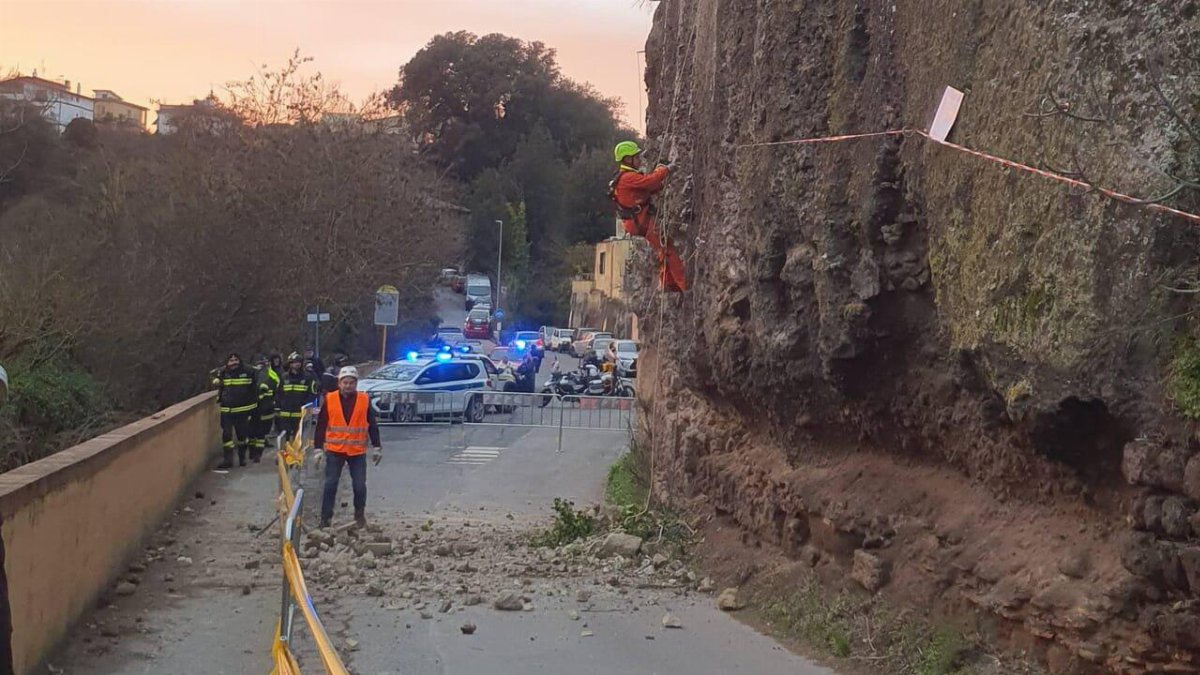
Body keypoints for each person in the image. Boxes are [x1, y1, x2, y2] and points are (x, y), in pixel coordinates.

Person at [610, 140, 688, 292]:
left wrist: (660, 181)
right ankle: (682, 285)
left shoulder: (626, 177)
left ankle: (668, 283)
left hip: (637, 221)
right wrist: (664, 170)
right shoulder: (627, 178)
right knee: (667, 248)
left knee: (664, 247)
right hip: (641, 221)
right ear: (627, 159)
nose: (639, 160)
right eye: (636, 157)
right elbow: (649, 181)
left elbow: (649, 187)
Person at [313, 366, 382, 528]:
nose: (348, 386)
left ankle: (359, 515)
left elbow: (372, 425)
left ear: (356, 383)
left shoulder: (364, 400)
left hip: (357, 452)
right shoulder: (330, 399)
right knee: (330, 484)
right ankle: (325, 519)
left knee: (359, 485)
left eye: (351, 383)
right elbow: (321, 425)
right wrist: (317, 449)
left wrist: (377, 446)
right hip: (335, 451)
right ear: (339, 383)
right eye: (345, 382)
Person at [212, 353, 257, 468]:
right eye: (231, 360)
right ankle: (228, 460)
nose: (233, 362)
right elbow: (213, 376)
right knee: (226, 435)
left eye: (236, 360)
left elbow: (255, 387)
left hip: (242, 409)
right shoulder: (223, 372)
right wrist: (216, 380)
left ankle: (242, 458)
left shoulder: (248, 371)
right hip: (227, 409)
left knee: (242, 436)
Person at [277, 352, 318, 439]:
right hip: (285, 413)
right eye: (294, 362)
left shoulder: (308, 377)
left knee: (298, 439)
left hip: (300, 413)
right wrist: (280, 405)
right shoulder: (284, 377)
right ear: (290, 363)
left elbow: (313, 393)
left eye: (299, 362)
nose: (297, 364)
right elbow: (279, 393)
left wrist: (306, 405)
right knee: (285, 439)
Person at [248, 355, 276, 462]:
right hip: (252, 406)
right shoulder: (251, 374)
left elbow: (276, 385)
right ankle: (252, 452)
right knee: (251, 432)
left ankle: (258, 453)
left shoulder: (270, 374)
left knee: (260, 432)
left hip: (265, 406)